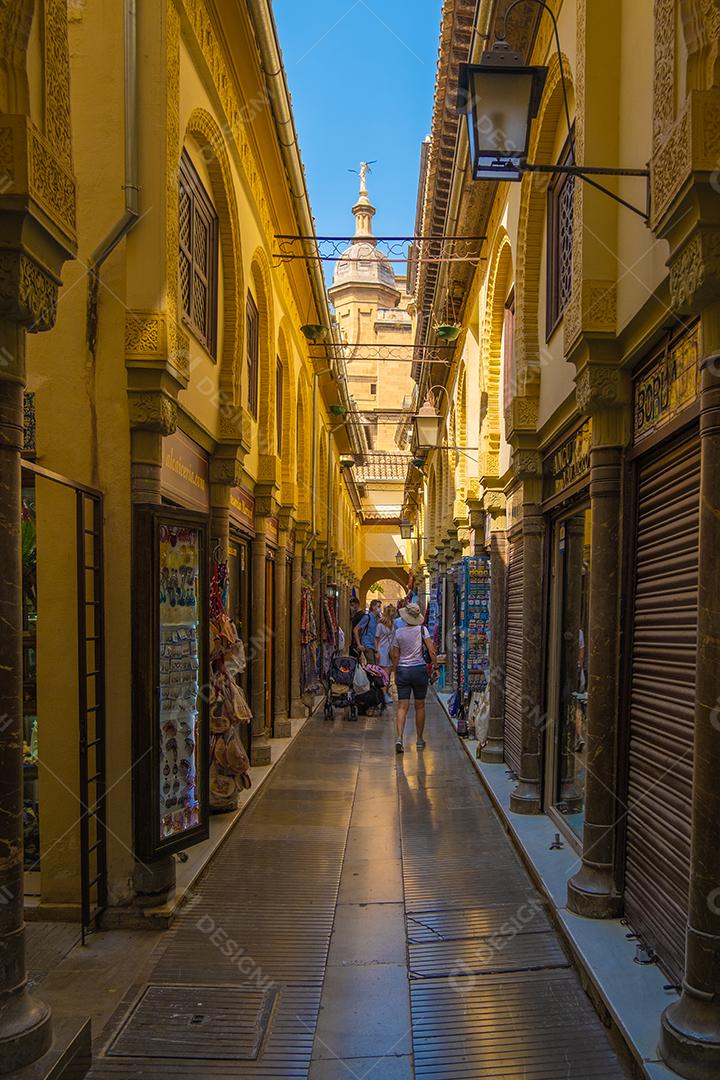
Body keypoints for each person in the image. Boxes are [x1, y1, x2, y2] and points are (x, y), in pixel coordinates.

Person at [391, 601, 437, 754]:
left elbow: (395, 655)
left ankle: (399, 738)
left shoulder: (398, 633)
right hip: (418, 670)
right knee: (420, 706)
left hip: (403, 670)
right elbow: (431, 651)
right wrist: (435, 667)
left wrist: (395, 670)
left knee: (402, 706)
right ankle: (419, 739)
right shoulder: (423, 631)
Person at [374, 604, 397, 705]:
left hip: (390, 651)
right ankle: (384, 695)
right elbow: (376, 639)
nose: (394, 614)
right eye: (392, 612)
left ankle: (385, 693)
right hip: (382, 651)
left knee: (388, 673)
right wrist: (376, 651)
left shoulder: (393, 623)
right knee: (385, 674)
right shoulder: (380, 625)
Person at [353, 599, 381, 664]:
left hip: (375, 645)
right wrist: (359, 644)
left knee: (374, 666)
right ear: (373, 607)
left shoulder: (377, 619)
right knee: (371, 665)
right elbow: (355, 629)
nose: (380, 609)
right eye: (379, 606)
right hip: (367, 645)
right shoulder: (367, 617)